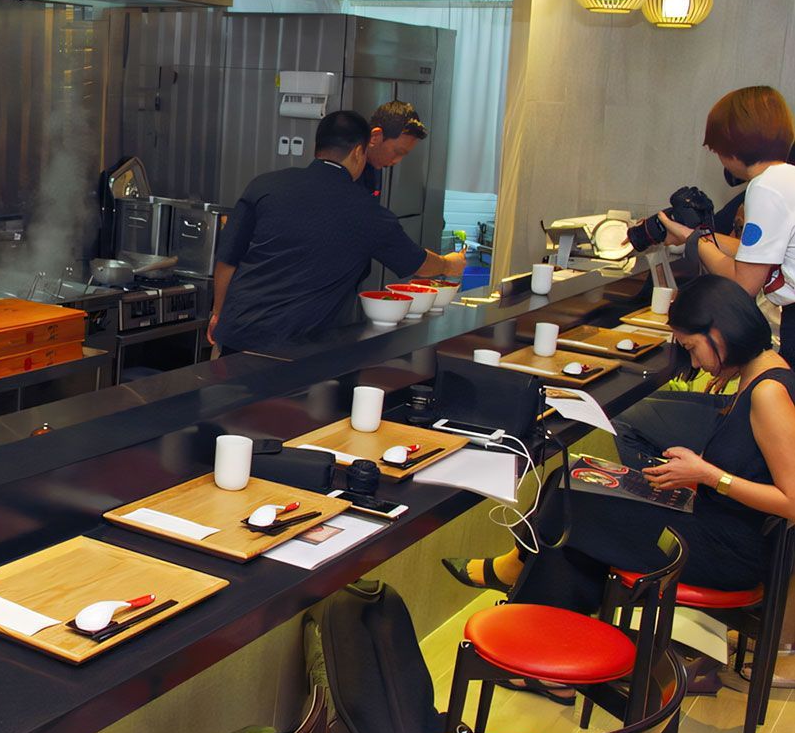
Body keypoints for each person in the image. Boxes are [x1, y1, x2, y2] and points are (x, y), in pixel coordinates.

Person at [445, 278, 795, 642]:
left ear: (719, 334)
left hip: (726, 552)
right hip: (711, 523)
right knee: (569, 479)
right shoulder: (758, 376)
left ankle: (521, 588)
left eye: (692, 348)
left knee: (571, 506)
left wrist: (708, 475)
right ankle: (544, 645)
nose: (694, 361)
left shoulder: (769, 393)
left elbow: (791, 502)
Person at [208, 109, 466, 355]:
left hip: (238, 335)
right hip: (297, 348)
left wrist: (219, 313)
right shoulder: (366, 211)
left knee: (231, 400)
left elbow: (227, 258)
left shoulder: (263, 184)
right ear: (357, 152)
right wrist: (447, 263)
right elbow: (417, 262)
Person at [656, 86, 795, 351]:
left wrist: (694, 241)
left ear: (732, 144)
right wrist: (693, 235)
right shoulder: (787, 177)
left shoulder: (766, 187)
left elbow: (743, 284)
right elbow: (756, 257)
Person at [358, 100, 429, 202]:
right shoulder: (346, 170)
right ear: (375, 137)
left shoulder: (375, 164)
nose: (397, 161)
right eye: (397, 152)